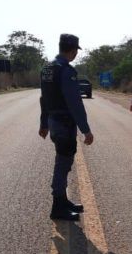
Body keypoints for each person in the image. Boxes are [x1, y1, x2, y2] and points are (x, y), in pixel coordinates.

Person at [39, 33, 94, 221]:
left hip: (54, 122)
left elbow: (43, 99)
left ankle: (63, 201)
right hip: (64, 123)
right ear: (72, 51)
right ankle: (58, 207)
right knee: (63, 164)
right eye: (75, 51)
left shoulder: (47, 69)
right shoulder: (66, 71)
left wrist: (43, 123)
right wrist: (86, 129)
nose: (75, 55)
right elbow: (75, 103)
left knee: (63, 162)